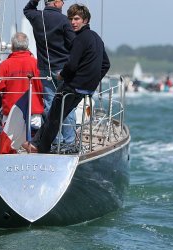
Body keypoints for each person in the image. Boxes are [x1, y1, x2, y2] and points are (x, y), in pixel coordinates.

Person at [26, 4, 110, 153]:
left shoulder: (80, 39)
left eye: (77, 19)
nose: (73, 22)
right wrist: (93, 81)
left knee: (54, 115)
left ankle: (40, 147)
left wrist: (62, 75)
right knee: (61, 113)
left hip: (74, 85)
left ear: (86, 20)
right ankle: (41, 143)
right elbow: (106, 64)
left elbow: (71, 65)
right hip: (86, 88)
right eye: (71, 19)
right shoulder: (96, 37)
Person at [24, 0, 77, 143]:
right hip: (63, 69)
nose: (64, 3)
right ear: (55, 3)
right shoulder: (65, 20)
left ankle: (54, 140)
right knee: (67, 104)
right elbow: (74, 45)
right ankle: (70, 140)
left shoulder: (36, 17)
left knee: (49, 104)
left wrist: (36, 0)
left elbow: (27, 9)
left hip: (45, 69)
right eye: (62, 1)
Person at [0, 32, 44, 129]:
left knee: (10, 142)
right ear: (27, 46)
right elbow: (45, 88)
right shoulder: (37, 64)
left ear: (13, 46)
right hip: (34, 113)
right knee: (33, 141)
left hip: (11, 113)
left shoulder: (3, 66)